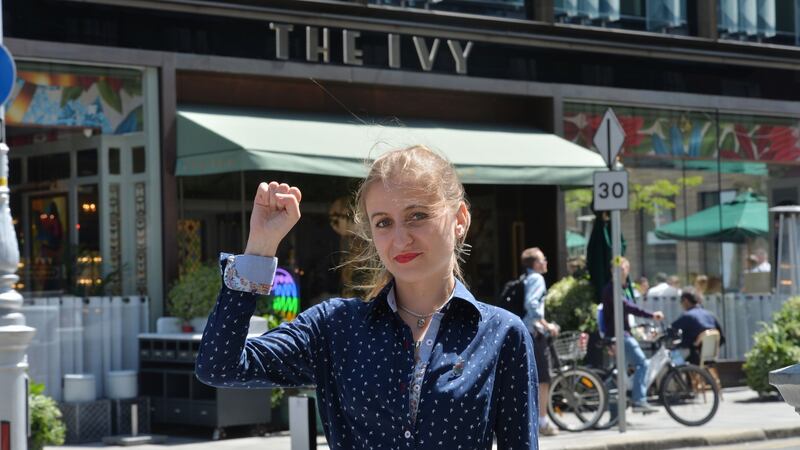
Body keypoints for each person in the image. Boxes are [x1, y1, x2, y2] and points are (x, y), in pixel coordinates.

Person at [195, 145, 539, 450]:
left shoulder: (502, 333)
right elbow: (220, 366)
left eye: (417, 215)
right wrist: (259, 248)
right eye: (384, 223)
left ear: (460, 219)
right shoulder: (335, 327)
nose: (401, 238)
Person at [601, 257, 664, 413]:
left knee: (619, 374)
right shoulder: (613, 289)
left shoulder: (619, 288)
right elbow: (628, 307)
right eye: (618, 269)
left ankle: (614, 415)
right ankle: (639, 400)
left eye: (623, 268)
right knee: (642, 364)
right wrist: (651, 315)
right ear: (612, 271)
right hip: (620, 335)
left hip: (621, 334)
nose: (621, 272)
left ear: (628, 270)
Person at [520, 247, 560, 436]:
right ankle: (542, 422)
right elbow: (532, 304)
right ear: (536, 263)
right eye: (543, 259)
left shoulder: (527, 278)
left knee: (532, 378)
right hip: (535, 333)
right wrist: (547, 324)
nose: (545, 263)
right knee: (543, 379)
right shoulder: (537, 278)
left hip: (527, 332)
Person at [671, 290, 725, 366]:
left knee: (674, 355)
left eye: (681, 301)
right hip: (711, 358)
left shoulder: (688, 316)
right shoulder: (711, 315)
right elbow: (722, 338)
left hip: (694, 358)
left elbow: (671, 329)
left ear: (686, 301)